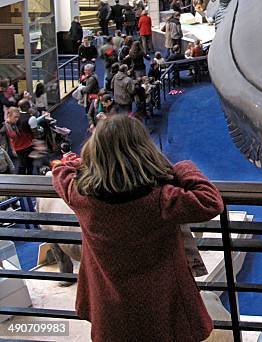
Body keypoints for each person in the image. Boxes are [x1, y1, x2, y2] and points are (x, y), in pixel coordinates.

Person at [51, 115, 224, 342]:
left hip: (110, 309)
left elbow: (61, 172)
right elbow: (211, 201)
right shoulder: (161, 199)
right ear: (144, 150)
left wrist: (83, 165)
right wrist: (183, 167)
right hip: (162, 305)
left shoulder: (79, 195)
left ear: (95, 152)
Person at [4, 107, 34, 175]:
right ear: (9, 116)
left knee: (30, 164)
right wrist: (11, 124)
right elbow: (13, 136)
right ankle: (21, 181)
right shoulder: (8, 125)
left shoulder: (21, 120)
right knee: (22, 166)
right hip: (20, 148)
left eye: (18, 117)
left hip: (29, 144)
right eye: (15, 117)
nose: (17, 119)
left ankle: (30, 178)